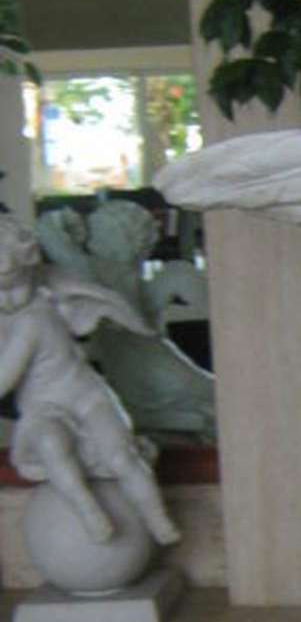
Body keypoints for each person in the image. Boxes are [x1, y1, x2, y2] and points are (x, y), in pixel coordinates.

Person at [0, 219, 180, 548]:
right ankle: (94, 514)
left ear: (28, 269)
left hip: (85, 396)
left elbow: (5, 378)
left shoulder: (37, 315)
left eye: (11, 284)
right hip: (44, 407)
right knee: (53, 445)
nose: (9, 299)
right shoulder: (25, 312)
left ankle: (156, 519)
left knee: (120, 455)